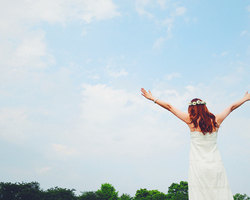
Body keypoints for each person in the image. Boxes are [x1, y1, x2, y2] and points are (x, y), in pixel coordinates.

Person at [141, 88, 250, 200]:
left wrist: (153, 98)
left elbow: (170, 107)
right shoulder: (216, 120)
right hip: (215, 164)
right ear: (205, 107)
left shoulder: (191, 121)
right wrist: (245, 99)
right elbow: (231, 108)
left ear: (191, 109)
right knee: (219, 191)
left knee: (200, 193)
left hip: (198, 166)